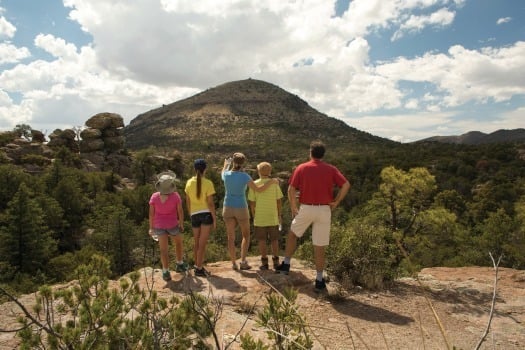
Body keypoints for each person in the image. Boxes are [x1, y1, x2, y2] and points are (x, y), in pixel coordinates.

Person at [275, 140, 350, 292]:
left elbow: (291, 189)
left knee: (292, 234)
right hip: (324, 210)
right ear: (323, 154)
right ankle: (319, 279)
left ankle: (286, 264)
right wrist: (336, 202)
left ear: (310, 152)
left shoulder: (302, 168)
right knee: (319, 245)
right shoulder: (331, 169)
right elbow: (346, 185)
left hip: (306, 208)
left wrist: (293, 206)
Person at [222, 152, 278, 270]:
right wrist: (271, 182)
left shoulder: (226, 174)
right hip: (241, 208)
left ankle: (233, 263)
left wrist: (226, 164)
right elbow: (258, 189)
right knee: (246, 236)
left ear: (233, 162)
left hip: (227, 207)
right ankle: (243, 262)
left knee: (230, 237)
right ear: (243, 163)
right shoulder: (245, 176)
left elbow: (223, 170)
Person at [149, 171, 188, 281]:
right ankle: (179, 264)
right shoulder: (175, 196)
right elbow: (180, 211)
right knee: (178, 243)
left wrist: (151, 228)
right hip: (173, 225)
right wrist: (181, 223)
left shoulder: (154, 197)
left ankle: (166, 271)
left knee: (163, 250)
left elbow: (151, 214)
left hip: (159, 226)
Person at [248, 161, 284, 270]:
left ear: (258, 171)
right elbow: (278, 201)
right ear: (270, 171)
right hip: (272, 216)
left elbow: (252, 203)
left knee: (262, 240)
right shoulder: (274, 184)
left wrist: (254, 215)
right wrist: (279, 214)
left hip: (260, 216)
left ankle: (264, 263)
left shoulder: (254, 184)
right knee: (274, 240)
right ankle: (276, 262)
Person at [185, 159, 216, 277]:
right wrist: (214, 218)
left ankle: (197, 265)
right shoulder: (208, 183)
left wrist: (190, 213)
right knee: (202, 244)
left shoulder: (188, 182)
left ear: (194, 169)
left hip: (194, 214)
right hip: (206, 214)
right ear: (205, 169)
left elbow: (187, 201)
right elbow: (211, 203)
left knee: (196, 242)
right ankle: (199, 268)